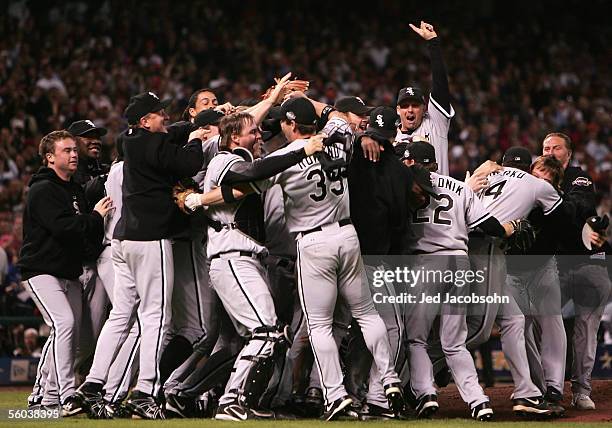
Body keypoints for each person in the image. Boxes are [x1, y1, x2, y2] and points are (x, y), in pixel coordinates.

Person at [255, 98, 405, 421]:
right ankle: (389, 377)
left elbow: (253, 173)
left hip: (313, 241)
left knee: (320, 326)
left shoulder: (285, 155)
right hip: (347, 235)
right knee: (366, 314)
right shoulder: (337, 135)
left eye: (284, 121)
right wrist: (308, 100)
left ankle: (335, 394)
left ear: (291, 125)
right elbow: (336, 114)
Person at [73, 91, 206, 419]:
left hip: (123, 242)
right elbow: (190, 162)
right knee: (157, 317)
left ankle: (92, 385)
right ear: (145, 120)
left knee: (120, 316)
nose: (165, 118)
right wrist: (196, 140)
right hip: (151, 239)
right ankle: (145, 390)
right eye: (159, 114)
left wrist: (184, 129)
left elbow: (165, 136)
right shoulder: (150, 144)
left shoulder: (128, 139)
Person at [194, 110, 325, 421]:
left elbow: (250, 179)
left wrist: (199, 199)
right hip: (231, 256)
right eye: (252, 132)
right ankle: (231, 401)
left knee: (265, 335)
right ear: (234, 138)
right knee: (265, 332)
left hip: (247, 259)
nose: (259, 137)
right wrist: (299, 150)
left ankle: (241, 401)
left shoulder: (246, 164)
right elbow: (246, 175)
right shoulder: (224, 160)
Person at [17, 130, 112, 414]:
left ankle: (47, 399)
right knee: (65, 324)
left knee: (69, 334)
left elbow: (78, 230)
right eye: (66, 151)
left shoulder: (73, 189)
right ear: (49, 157)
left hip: (67, 270)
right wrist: (95, 216)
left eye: (74, 150)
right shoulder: (42, 188)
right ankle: (67, 395)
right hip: (41, 269)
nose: (73, 155)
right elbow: (64, 228)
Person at [542, 132, 611, 410]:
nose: (550, 151)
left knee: (585, 327)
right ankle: (545, 386)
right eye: (545, 147)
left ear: (568, 154)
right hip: (552, 266)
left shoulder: (577, 177)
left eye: (556, 148)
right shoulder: (535, 179)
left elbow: (582, 206)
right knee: (539, 323)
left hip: (585, 264)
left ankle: (581, 389)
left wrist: (549, 200)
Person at [394, 21, 454, 176]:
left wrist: (433, 43)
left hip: (439, 198)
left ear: (424, 108)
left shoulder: (435, 122)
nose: (410, 110)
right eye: (405, 106)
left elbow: (440, 85)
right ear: (397, 110)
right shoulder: (391, 135)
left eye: (415, 105)